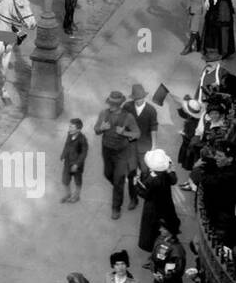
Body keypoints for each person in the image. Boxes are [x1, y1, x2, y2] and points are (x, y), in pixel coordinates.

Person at [95, 90, 137, 219]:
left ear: (119, 104)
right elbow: (96, 130)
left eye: (114, 103)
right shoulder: (104, 113)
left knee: (118, 179)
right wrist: (101, 129)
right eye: (110, 102)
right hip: (107, 149)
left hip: (121, 152)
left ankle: (116, 207)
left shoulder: (128, 117)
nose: (111, 105)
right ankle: (118, 187)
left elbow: (137, 133)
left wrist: (124, 133)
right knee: (108, 174)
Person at [135, 148, 180, 254]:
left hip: (153, 208)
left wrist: (136, 185)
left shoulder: (152, 179)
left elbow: (145, 194)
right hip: (166, 204)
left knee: (152, 231)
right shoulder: (166, 173)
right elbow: (173, 180)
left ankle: (154, 250)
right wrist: (171, 171)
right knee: (166, 226)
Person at [59, 118, 88, 203]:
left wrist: (77, 164)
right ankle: (68, 194)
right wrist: (63, 154)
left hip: (76, 165)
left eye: (72, 127)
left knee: (77, 181)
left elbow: (84, 153)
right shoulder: (69, 135)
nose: (69, 129)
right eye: (69, 126)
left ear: (78, 129)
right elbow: (67, 145)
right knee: (65, 180)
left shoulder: (82, 140)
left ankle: (76, 196)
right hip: (68, 163)